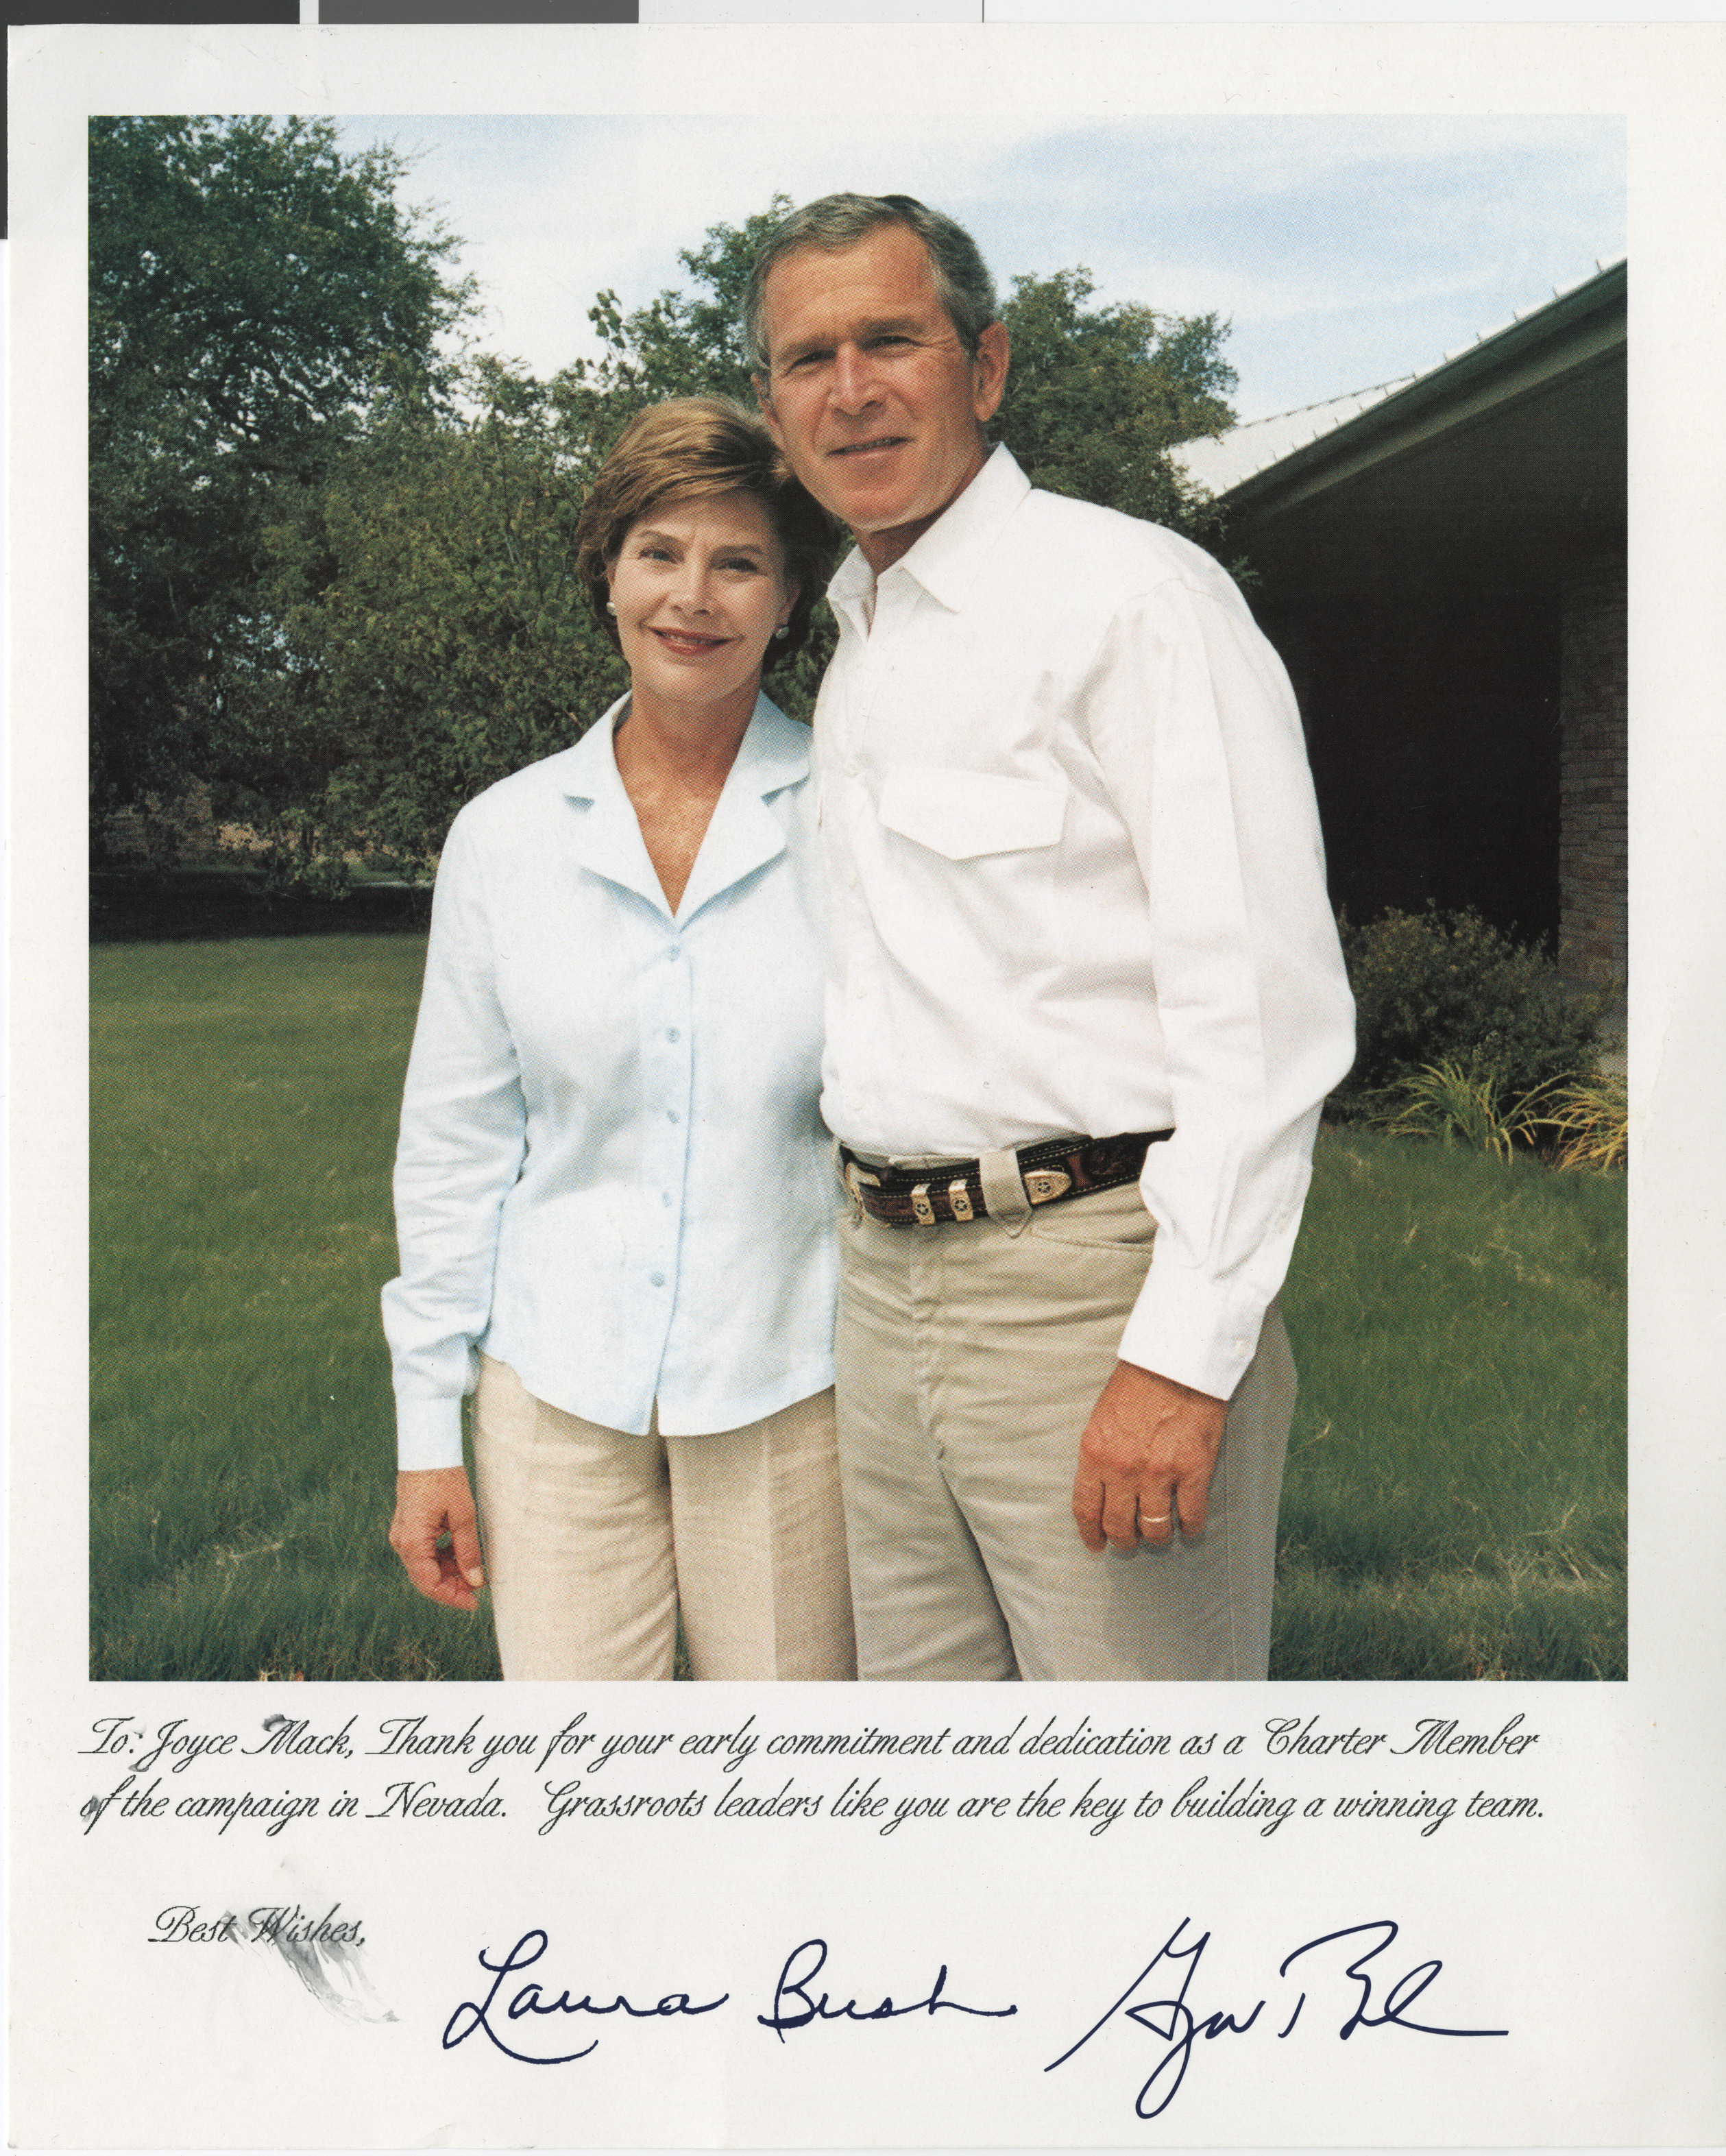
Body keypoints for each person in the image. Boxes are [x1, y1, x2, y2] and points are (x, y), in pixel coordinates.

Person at [746, 194, 1356, 1682]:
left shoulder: (1131, 600)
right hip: (884, 1292)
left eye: (889, 339)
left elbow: (1260, 1013)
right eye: (806, 357)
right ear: (774, 407)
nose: (850, 387)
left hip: (1090, 1283)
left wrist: (1178, 1353)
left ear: (987, 366)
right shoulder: (858, 640)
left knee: (1133, 1802)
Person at [382, 396, 855, 1682]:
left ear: (788, 594)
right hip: (554, 1394)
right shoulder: (506, 835)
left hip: (790, 1390)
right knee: (583, 1810)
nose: (692, 597)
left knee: (787, 1806)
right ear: (607, 572)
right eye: (659, 553)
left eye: (738, 561)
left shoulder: (853, 813)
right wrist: (431, 1424)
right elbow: (455, 1145)